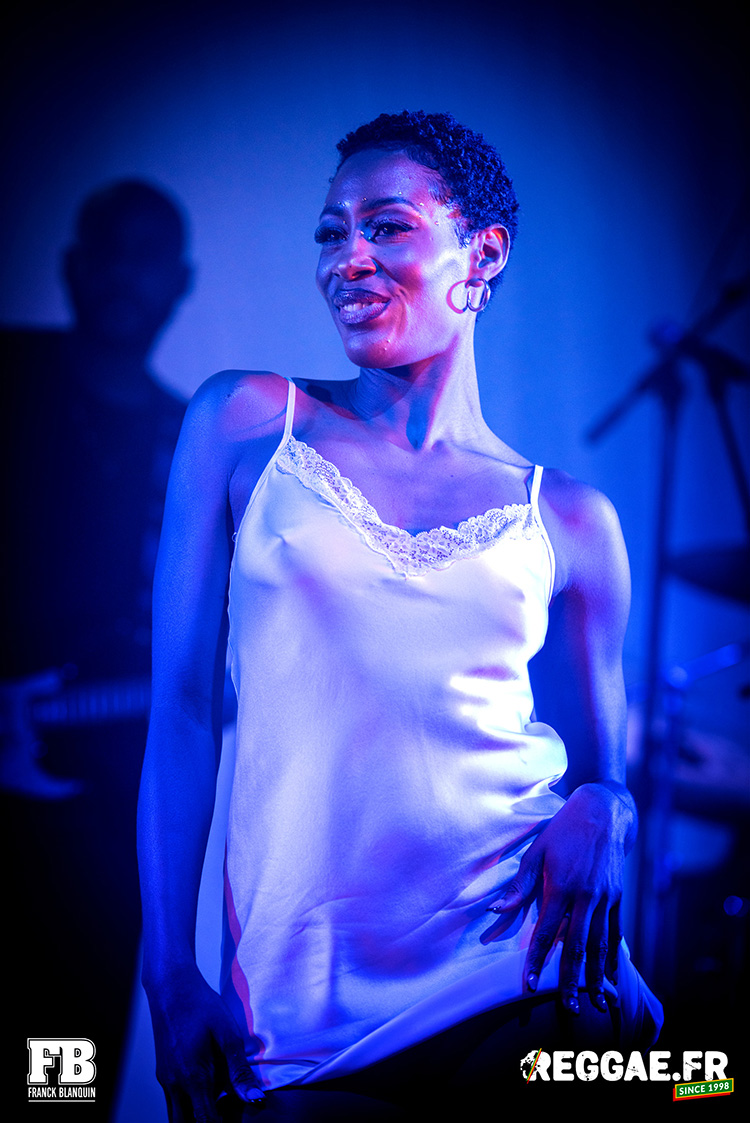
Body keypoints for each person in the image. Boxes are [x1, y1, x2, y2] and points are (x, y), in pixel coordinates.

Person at [138, 111, 663, 1121]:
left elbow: (606, 775)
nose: (349, 258)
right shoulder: (245, 423)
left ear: (483, 255)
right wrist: (169, 972)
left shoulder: (571, 520)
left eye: (386, 227)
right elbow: (183, 712)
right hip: (300, 1008)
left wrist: (612, 804)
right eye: (332, 233)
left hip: (525, 976)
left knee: (701, 1082)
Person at [1, 180, 191, 1118]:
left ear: (179, 283)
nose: (125, 275)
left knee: (60, 1073)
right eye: (109, 250)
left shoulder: (188, 438)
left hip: (101, 820)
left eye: (147, 257)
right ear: (72, 265)